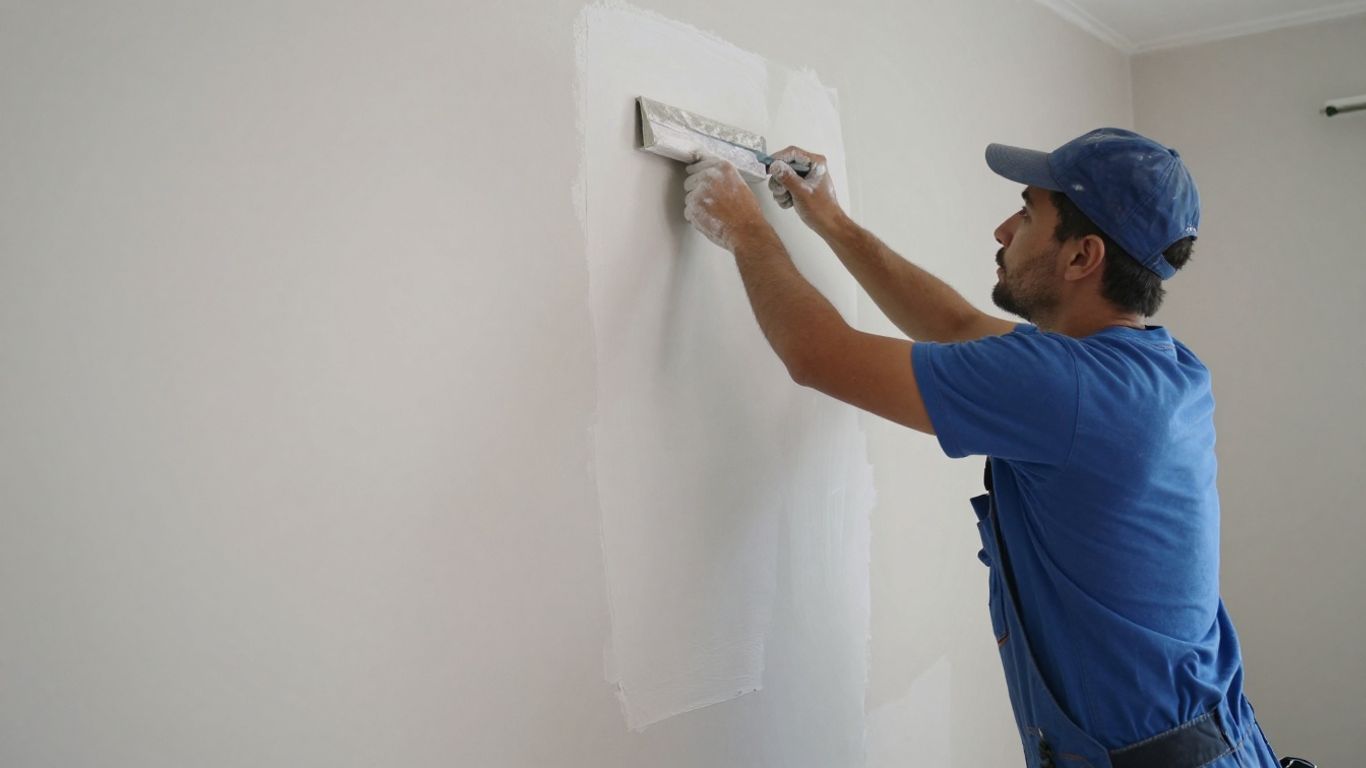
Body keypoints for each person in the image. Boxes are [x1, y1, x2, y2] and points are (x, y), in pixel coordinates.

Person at [681, 128, 1284, 768]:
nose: (1003, 230)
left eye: (1027, 214)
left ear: (1082, 257)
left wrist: (746, 230)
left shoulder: (1065, 385)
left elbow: (818, 356)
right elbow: (958, 327)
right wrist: (829, 219)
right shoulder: (1156, 370)